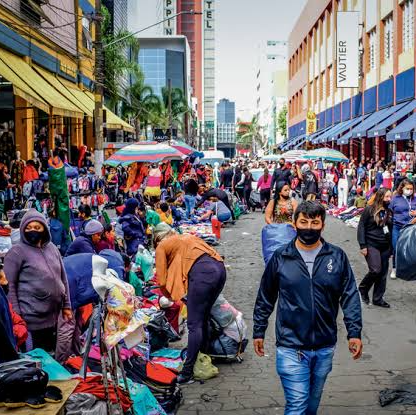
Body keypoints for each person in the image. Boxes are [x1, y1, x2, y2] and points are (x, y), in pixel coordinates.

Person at [253, 202, 363, 415]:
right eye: (304, 222)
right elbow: (266, 296)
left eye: (315, 223)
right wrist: (259, 329)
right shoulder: (281, 257)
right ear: (294, 224)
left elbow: (349, 296)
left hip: (324, 346)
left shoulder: (337, 256)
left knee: (311, 405)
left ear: (323, 225)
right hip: (290, 346)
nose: (309, 227)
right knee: (297, 406)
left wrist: (354, 332)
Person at [154, 223, 226, 384]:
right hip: (220, 269)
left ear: (158, 238)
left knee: (194, 324)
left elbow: (162, 281)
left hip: (204, 274)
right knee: (204, 316)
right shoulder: (185, 238)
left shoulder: (161, 246)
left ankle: (187, 371)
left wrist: (168, 297)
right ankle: (205, 355)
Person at [4, 209, 72, 352]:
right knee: (36, 360)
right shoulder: (17, 252)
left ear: (44, 229)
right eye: (28, 228)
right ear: (22, 230)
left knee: (51, 357)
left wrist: (67, 306)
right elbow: (10, 286)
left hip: (53, 319)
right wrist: (17, 316)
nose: (32, 231)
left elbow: (63, 278)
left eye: (36, 227)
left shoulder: (52, 248)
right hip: (31, 322)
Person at [357, 188, 392, 308]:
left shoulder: (389, 211)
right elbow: (361, 227)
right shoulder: (369, 209)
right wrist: (363, 245)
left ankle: (378, 298)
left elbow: (390, 229)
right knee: (375, 270)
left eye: (390, 197)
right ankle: (363, 288)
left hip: (385, 246)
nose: (389, 199)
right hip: (371, 244)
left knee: (382, 274)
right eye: (387, 197)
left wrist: (391, 248)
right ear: (380, 197)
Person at [389, 179, 416, 279]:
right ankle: (395, 268)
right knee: (396, 248)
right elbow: (389, 212)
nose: (410, 190)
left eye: (411, 189)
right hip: (398, 227)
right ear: (402, 188)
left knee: (411, 249)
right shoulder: (395, 199)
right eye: (407, 188)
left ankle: (411, 269)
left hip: (412, 228)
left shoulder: (415, 199)